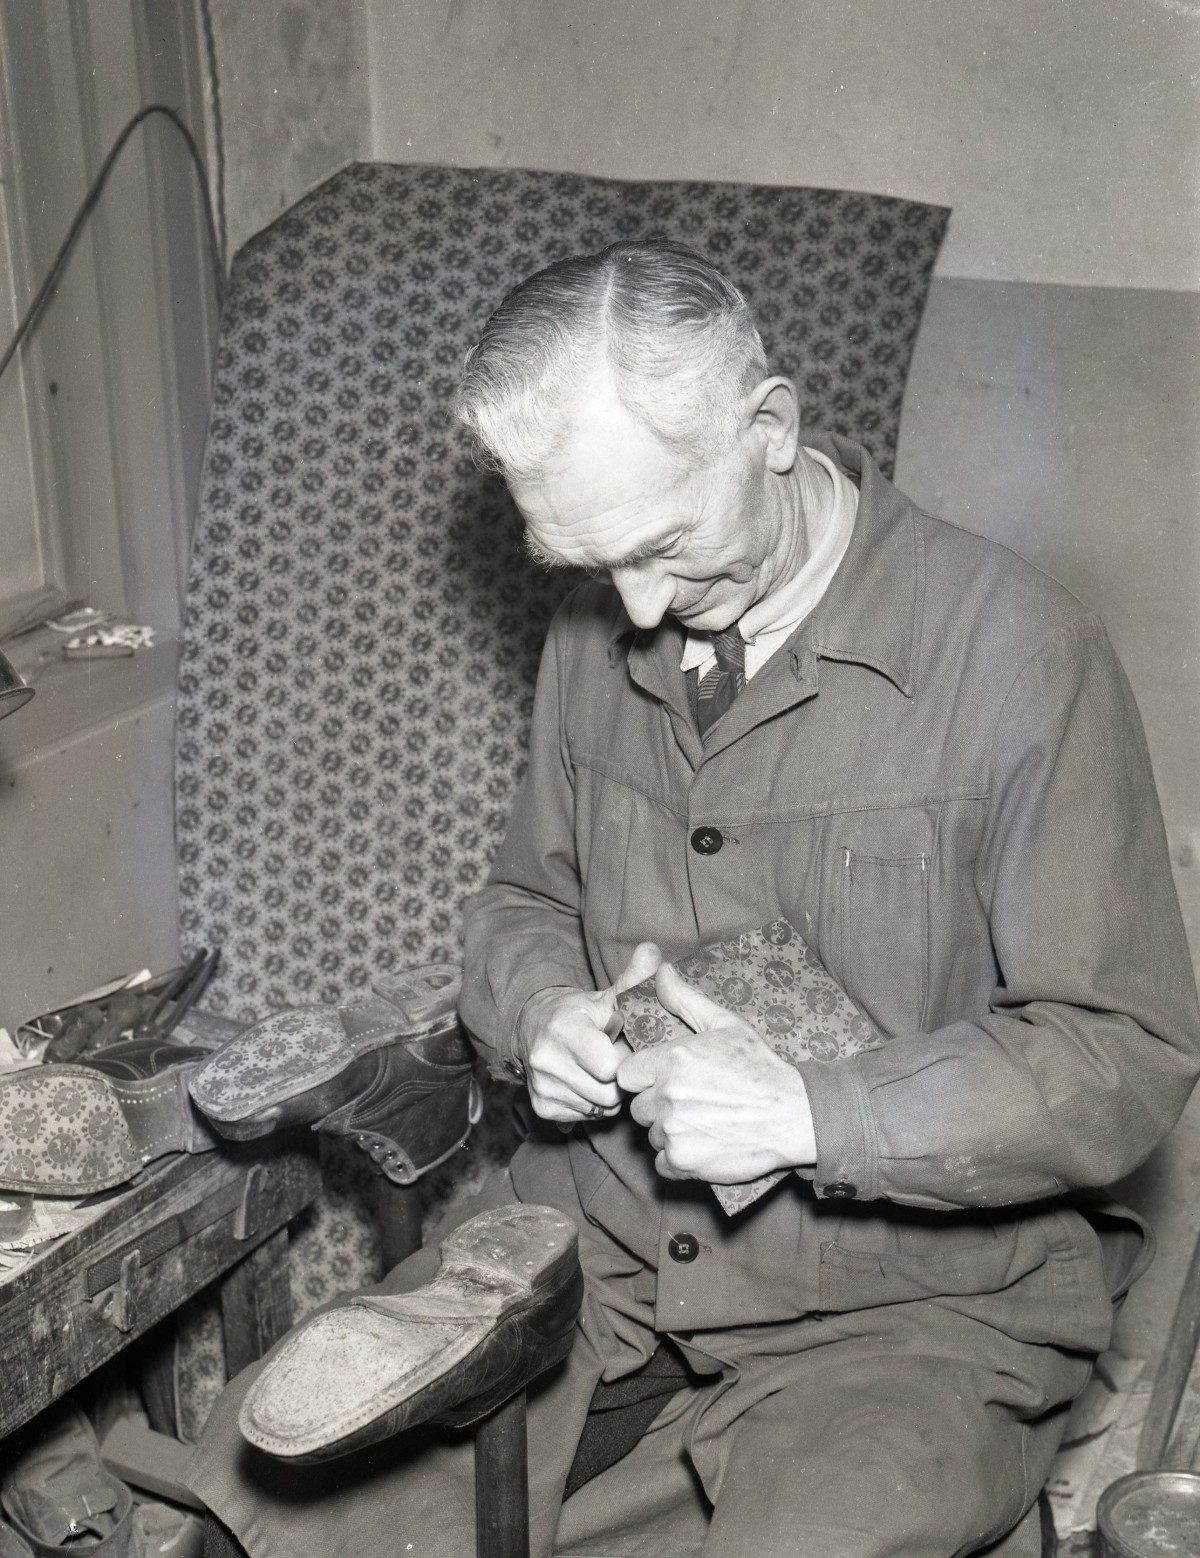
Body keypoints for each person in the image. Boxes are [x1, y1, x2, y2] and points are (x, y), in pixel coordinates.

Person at [188, 241, 1200, 1558]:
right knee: (261, 1484)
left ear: (770, 429)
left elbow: (1121, 1053)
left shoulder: (1019, 653)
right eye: (583, 557)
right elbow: (520, 900)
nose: (638, 603)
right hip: (597, 1249)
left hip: (918, 1308)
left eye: (665, 544)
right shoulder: (596, 626)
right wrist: (539, 1012)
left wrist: (815, 1116)